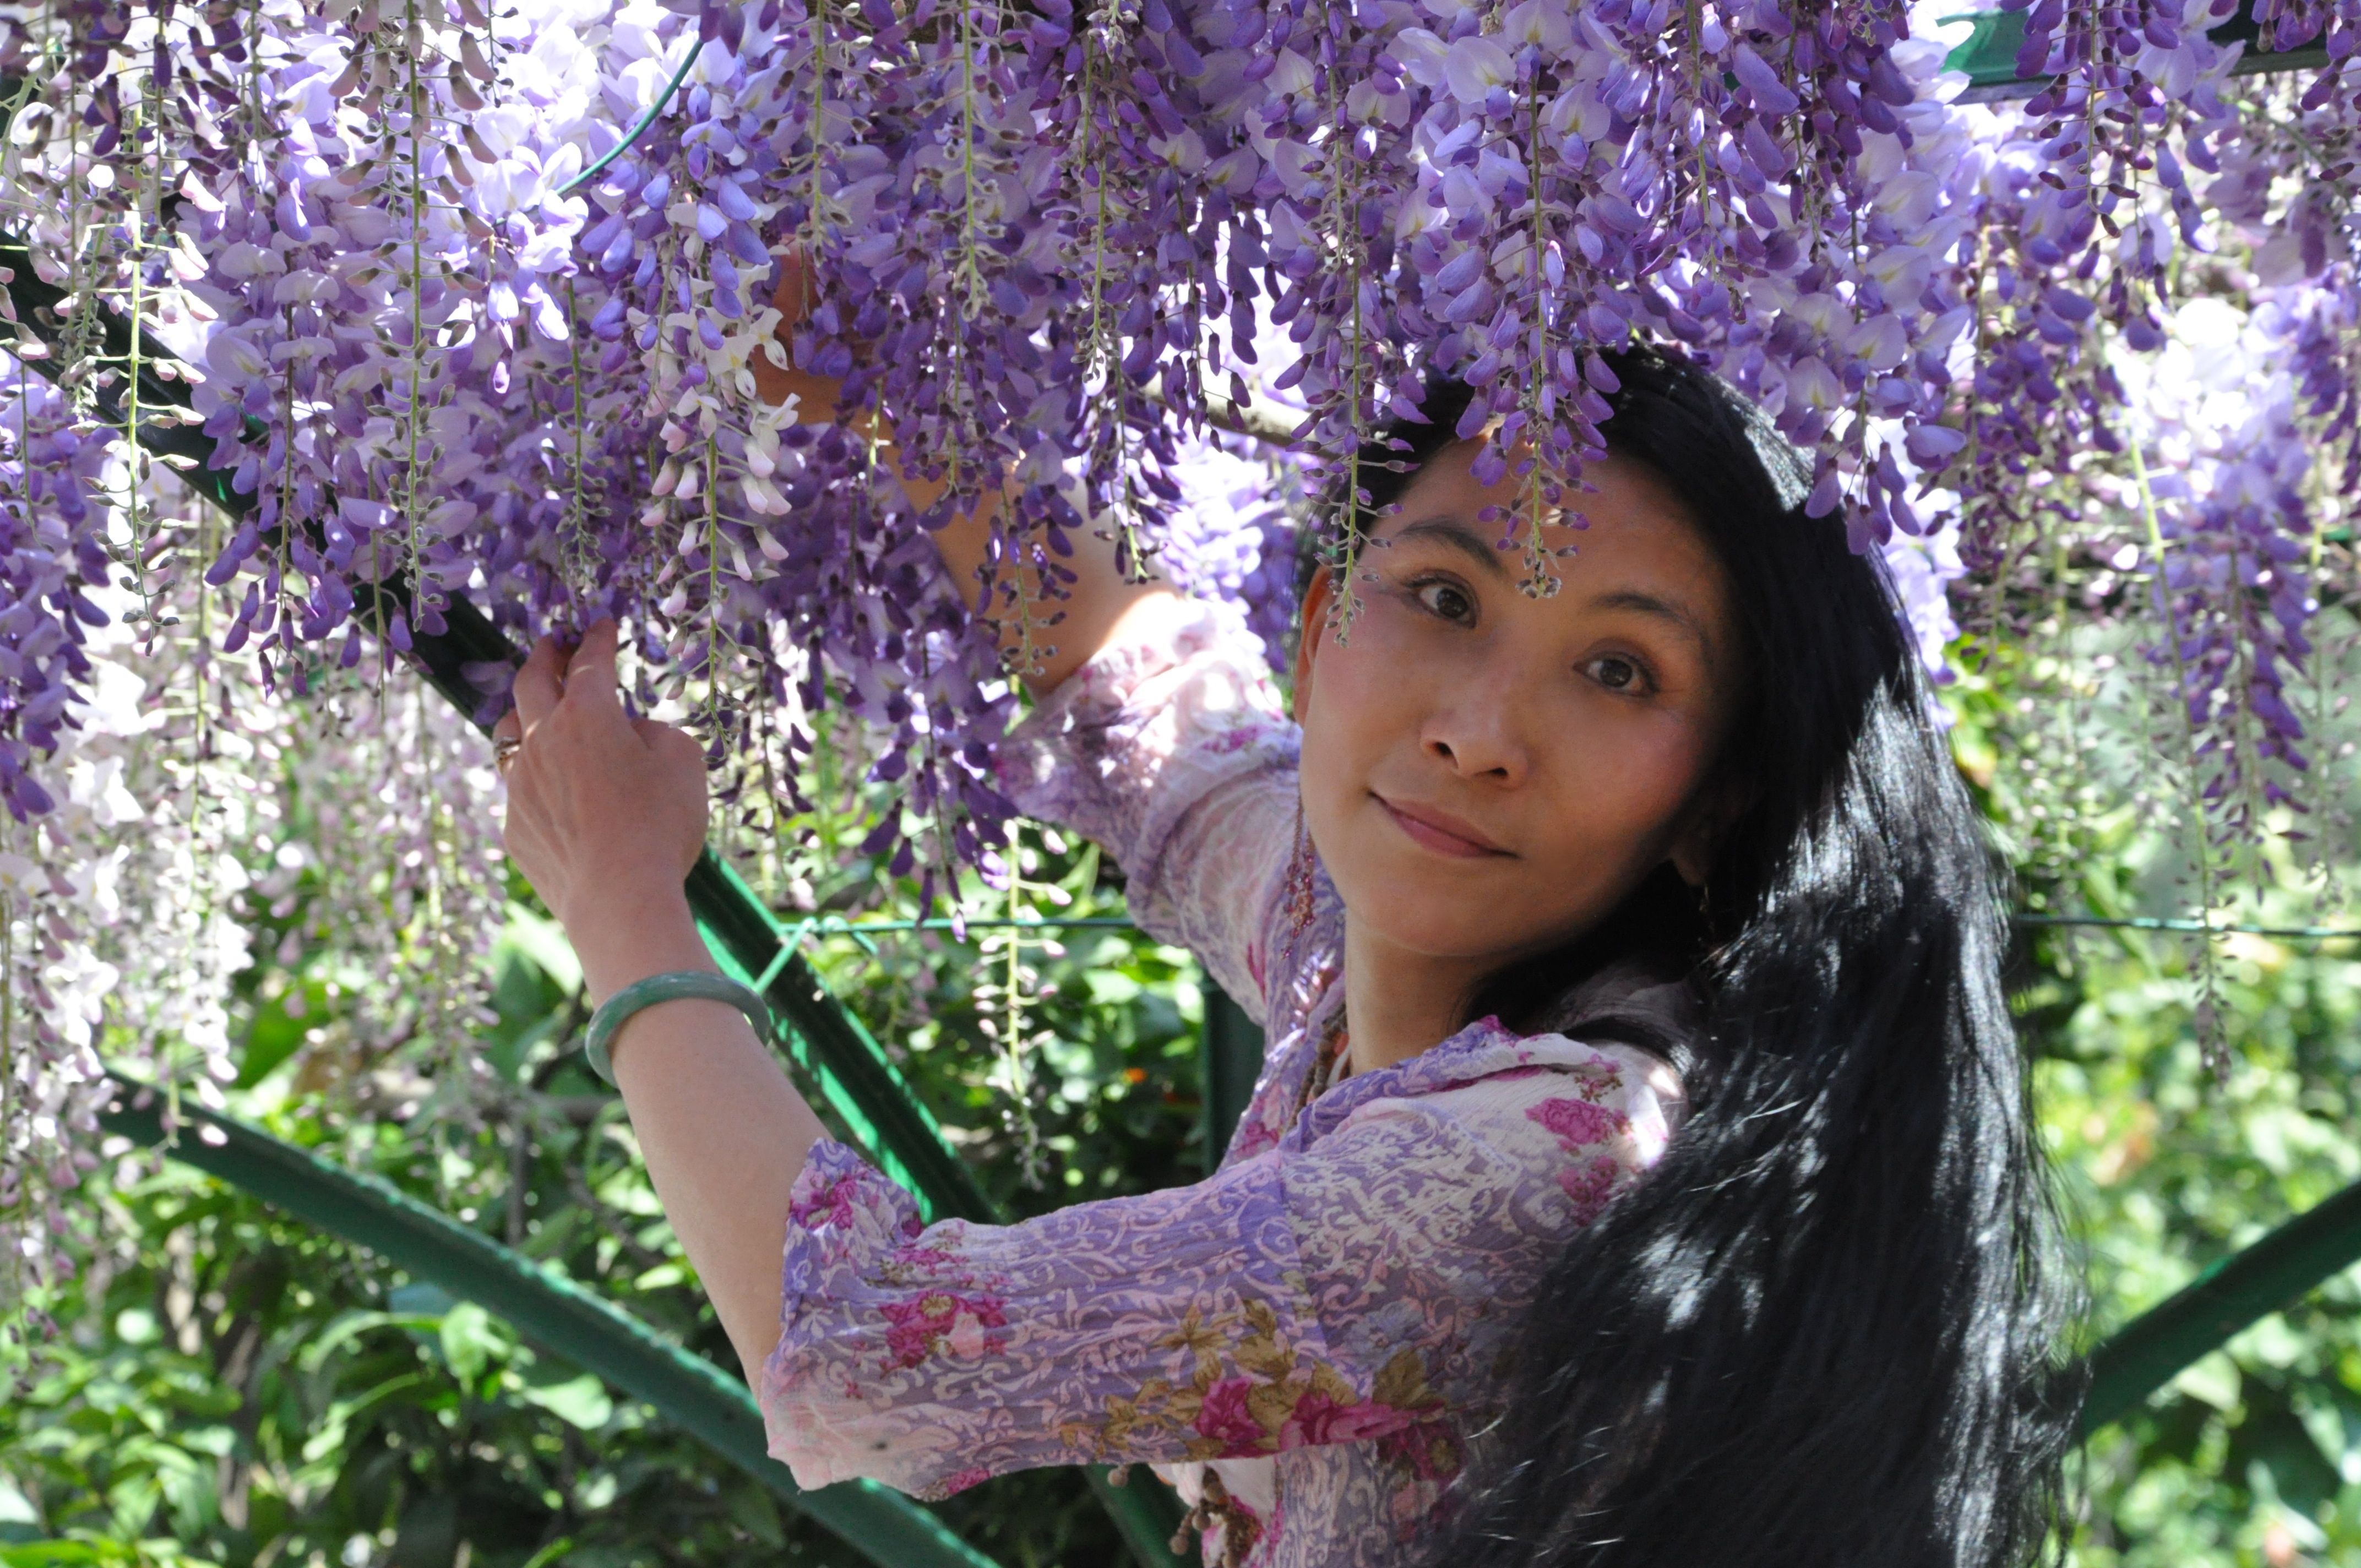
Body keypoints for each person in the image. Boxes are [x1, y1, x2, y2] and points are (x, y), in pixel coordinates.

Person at [490, 256, 2077, 1568]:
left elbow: (868, 1357)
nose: (1478, 731)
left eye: (1618, 670)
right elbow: (1154, 724)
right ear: (1324, 624)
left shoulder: (1548, 1157)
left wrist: (627, 904)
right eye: (1444, 598)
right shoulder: (1367, 942)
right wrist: (896, 399)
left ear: (1718, 796)